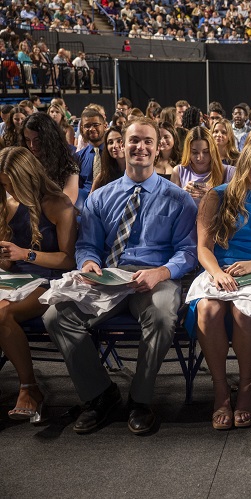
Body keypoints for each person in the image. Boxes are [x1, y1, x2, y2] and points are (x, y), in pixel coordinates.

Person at [42, 117, 199, 434]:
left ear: (157, 150)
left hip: (156, 276)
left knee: (161, 316)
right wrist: (88, 263)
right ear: (122, 147)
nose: (140, 147)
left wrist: (161, 272)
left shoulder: (179, 198)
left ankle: (140, 400)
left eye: (148, 142)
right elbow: (87, 245)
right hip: (109, 278)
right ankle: (100, 395)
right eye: (134, 141)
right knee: (55, 316)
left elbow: (188, 252)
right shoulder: (100, 197)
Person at [190, 138, 251, 430]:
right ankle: (221, 389)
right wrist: (218, 272)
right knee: (208, 310)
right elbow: (203, 248)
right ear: (246, 162)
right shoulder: (216, 196)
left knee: (243, 312)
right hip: (217, 269)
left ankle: (245, 388)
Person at [0, 147, 77, 423]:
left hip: (49, 279)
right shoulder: (7, 204)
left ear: (27, 177)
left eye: (12, 184)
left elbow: (68, 260)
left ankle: (29, 387)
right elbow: (9, 263)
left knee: (4, 313)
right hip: (14, 278)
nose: (9, 190)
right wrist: (6, 257)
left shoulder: (58, 204)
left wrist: (25, 254)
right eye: (5, 185)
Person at [21, 113, 79, 204]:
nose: (32, 145)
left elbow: (67, 203)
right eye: (27, 140)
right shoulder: (24, 164)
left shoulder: (68, 166)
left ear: (49, 138)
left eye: (37, 140)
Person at [171, 127, 236, 206]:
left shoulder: (229, 172)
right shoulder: (178, 171)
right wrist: (182, 194)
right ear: (188, 151)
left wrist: (214, 196)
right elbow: (172, 206)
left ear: (213, 151)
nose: (200, 158)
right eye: (194, 152)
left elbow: (236, 206)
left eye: (206, 152)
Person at [75, 107, 108, 209]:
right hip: (85, 205)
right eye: (87, 126)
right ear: (82, 129)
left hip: (109, 201)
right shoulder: (77, 157)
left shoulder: (115, 154)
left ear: (105, 126)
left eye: (96, 125)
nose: (92, 129)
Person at [91, 126, 126, 192]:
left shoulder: (138, 173)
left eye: (119, 141)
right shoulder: (102, 176)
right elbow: (91, 200)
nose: (115, 146)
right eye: (110, 142)